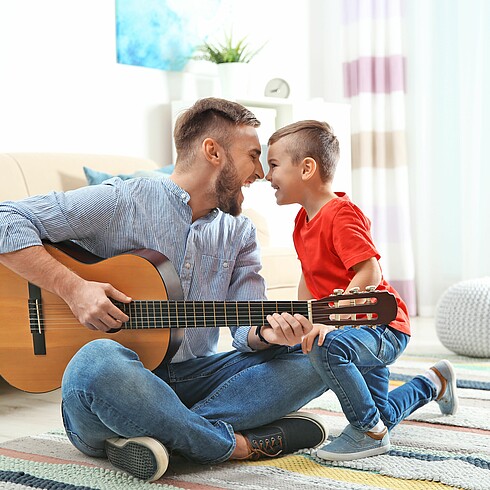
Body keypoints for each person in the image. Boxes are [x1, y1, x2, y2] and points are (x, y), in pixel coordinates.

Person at [0, 98, 329, 482]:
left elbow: (245, 325)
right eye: (253, 155)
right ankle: (233, 445)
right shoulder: (122, 201)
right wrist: (74, 289)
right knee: (96, 361)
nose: (260, 172)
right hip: (117, 381)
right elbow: (6, 218)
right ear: (213, 151)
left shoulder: (239, 233)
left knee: (320, 353)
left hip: (195, 378)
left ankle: (148, 434)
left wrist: (266, 332)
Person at [260, 119, 458, 461]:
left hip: (382, 325)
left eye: (274, 165)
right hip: (357, 330)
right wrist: (305, 318)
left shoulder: (341, 214)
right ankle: (434, 381)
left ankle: (368, 432)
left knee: (326, 346)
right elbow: (310, 276)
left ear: (307, 168)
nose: (267, 176)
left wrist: (331, 322)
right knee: (380, 411)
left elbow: (369, 269)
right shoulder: (301, 221)